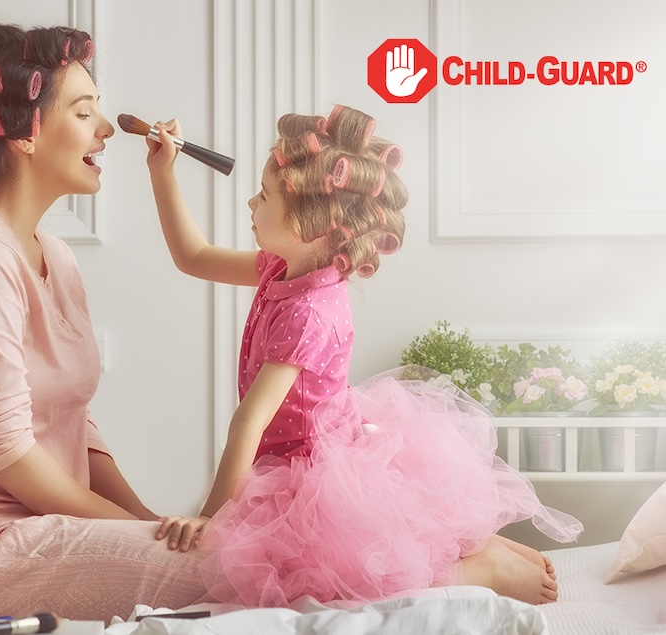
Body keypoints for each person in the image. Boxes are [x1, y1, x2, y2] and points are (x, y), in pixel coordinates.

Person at [144, 105, 583, 607]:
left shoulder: (307, 312)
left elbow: (249, 421)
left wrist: (210, 516)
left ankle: (480, 567)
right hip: (312, 446)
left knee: (345, 578)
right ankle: (475, 551)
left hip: (313, 468)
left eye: (263, 196)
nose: (250, 202)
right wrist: (163, 174)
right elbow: (193, 257)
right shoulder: (283, 266)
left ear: (311, 226)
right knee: (365, 558)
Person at [0, 17, 207, 622]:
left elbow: (74, 424)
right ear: (24, 134)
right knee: (228, 567)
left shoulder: (56, 256)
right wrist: (133, 533)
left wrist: (147, 523)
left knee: (218, 555)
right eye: (84, 110)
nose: (106, 129)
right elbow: (11, 454)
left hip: (42, 525)